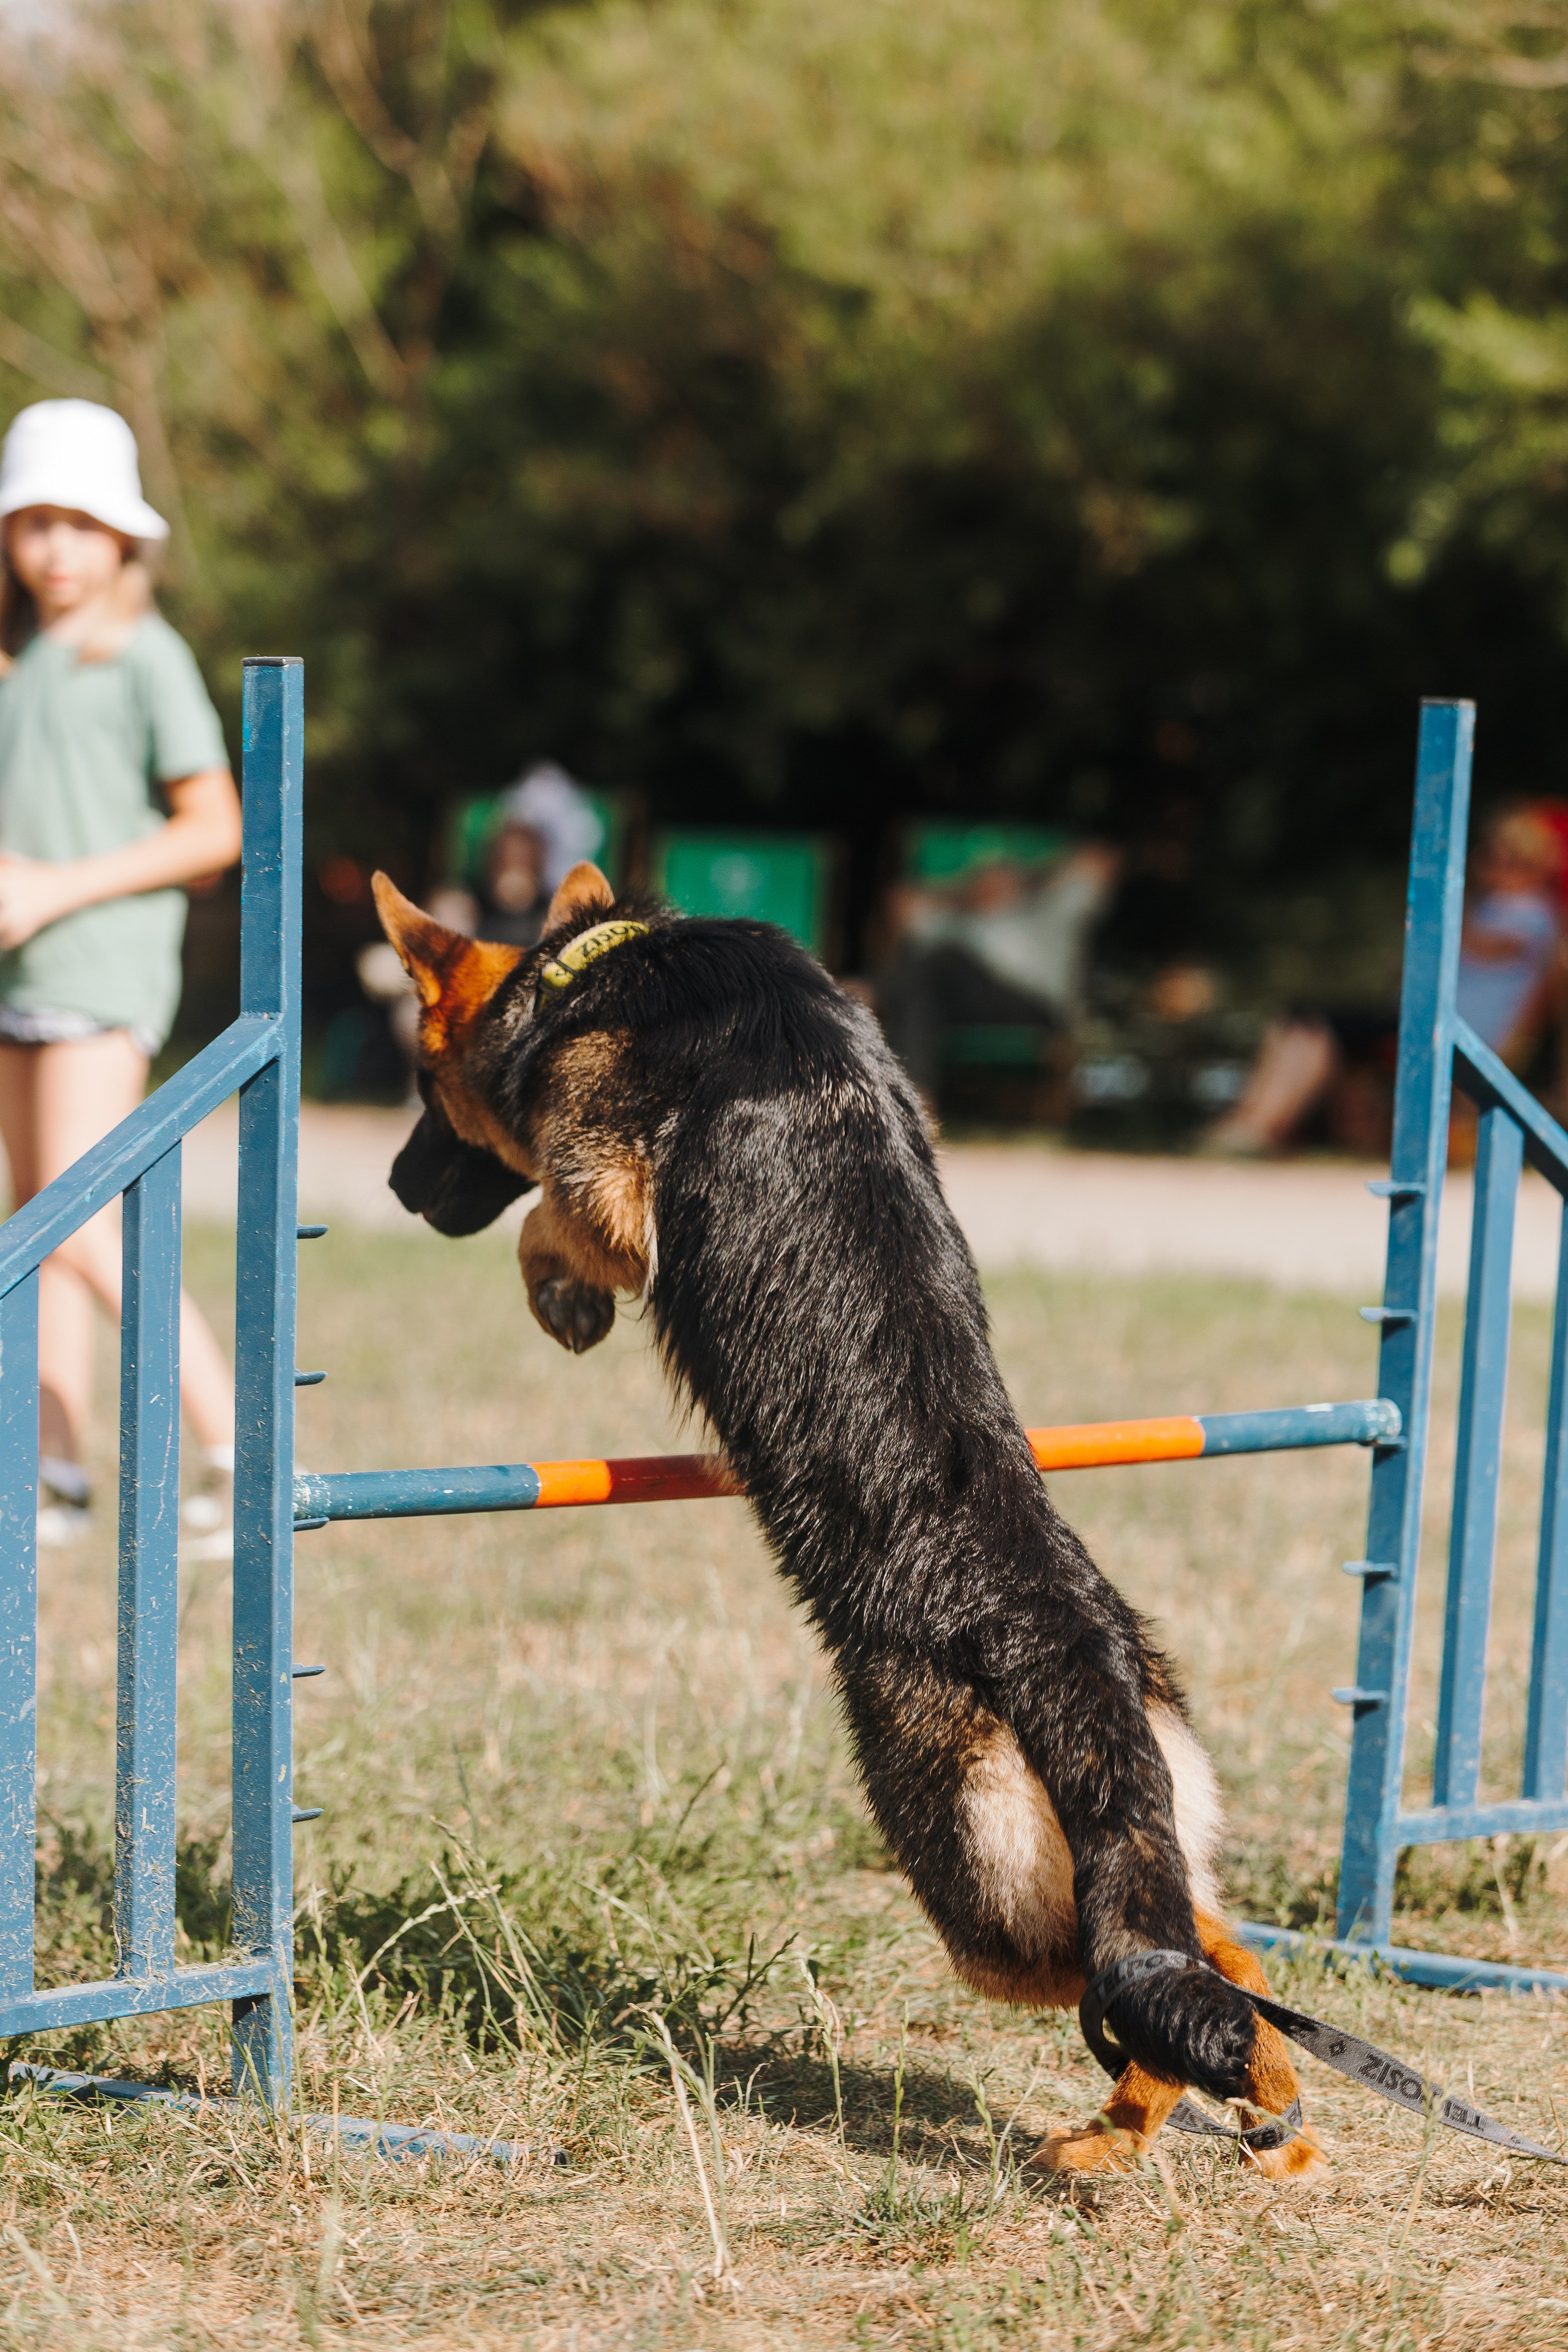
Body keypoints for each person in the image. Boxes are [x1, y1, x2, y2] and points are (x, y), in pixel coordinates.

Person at [0, 400, 243, 1546]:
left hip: (99, 966)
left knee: (77, 1222)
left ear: (124, 539)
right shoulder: (26, 659)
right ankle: (56, 1468)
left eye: (77, 523)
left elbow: (214, 831)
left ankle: (238, 1442)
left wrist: (54, 887)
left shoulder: (146, 657)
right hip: (21, 975)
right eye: (32, 521)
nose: (53, 546)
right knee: (34, 1223)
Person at [1201, 806, 1563, 1157]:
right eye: (1493, 856)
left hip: (1450, 1032)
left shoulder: (1531, 916)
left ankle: (1257, 1126)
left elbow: (1462, 943)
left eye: (1510, 859)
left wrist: (1442, 890)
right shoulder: (1492, 911)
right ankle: (1254, 1121)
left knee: (1312, 1022)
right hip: (1430, 1023)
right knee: (1304, 1022)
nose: (1496, 867)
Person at [874, 842, 1121, 1106]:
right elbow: (902, 902)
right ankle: (918, 1098)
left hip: (1033, 1008)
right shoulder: (964, 918)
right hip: (966, 1006)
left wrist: (1026, 883)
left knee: (943, 958)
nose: (991, 883)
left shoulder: (1051, 908)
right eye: (983, 877)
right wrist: (965, 896)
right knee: (922, 983)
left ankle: (871, 992)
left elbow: (1103, 861)